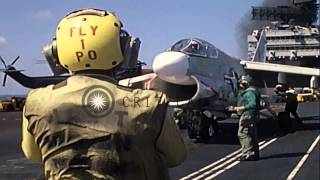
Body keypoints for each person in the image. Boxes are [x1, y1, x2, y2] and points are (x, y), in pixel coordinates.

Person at [21, 8, 186, 180]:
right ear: (124, 50)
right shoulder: (150, 104)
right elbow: (177, 156)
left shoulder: (36, 101)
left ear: (54, 52)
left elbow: (32, 153)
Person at [227, 74, 260, 161]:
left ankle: (247, 154)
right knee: (252, 134)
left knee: (243, 134)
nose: (240, 85)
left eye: (241, 83)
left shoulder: (249, 92)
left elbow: (252, 104)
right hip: (252, 115)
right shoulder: (254, 91)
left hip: (247, 115)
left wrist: (237, 108)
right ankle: (255, 154)